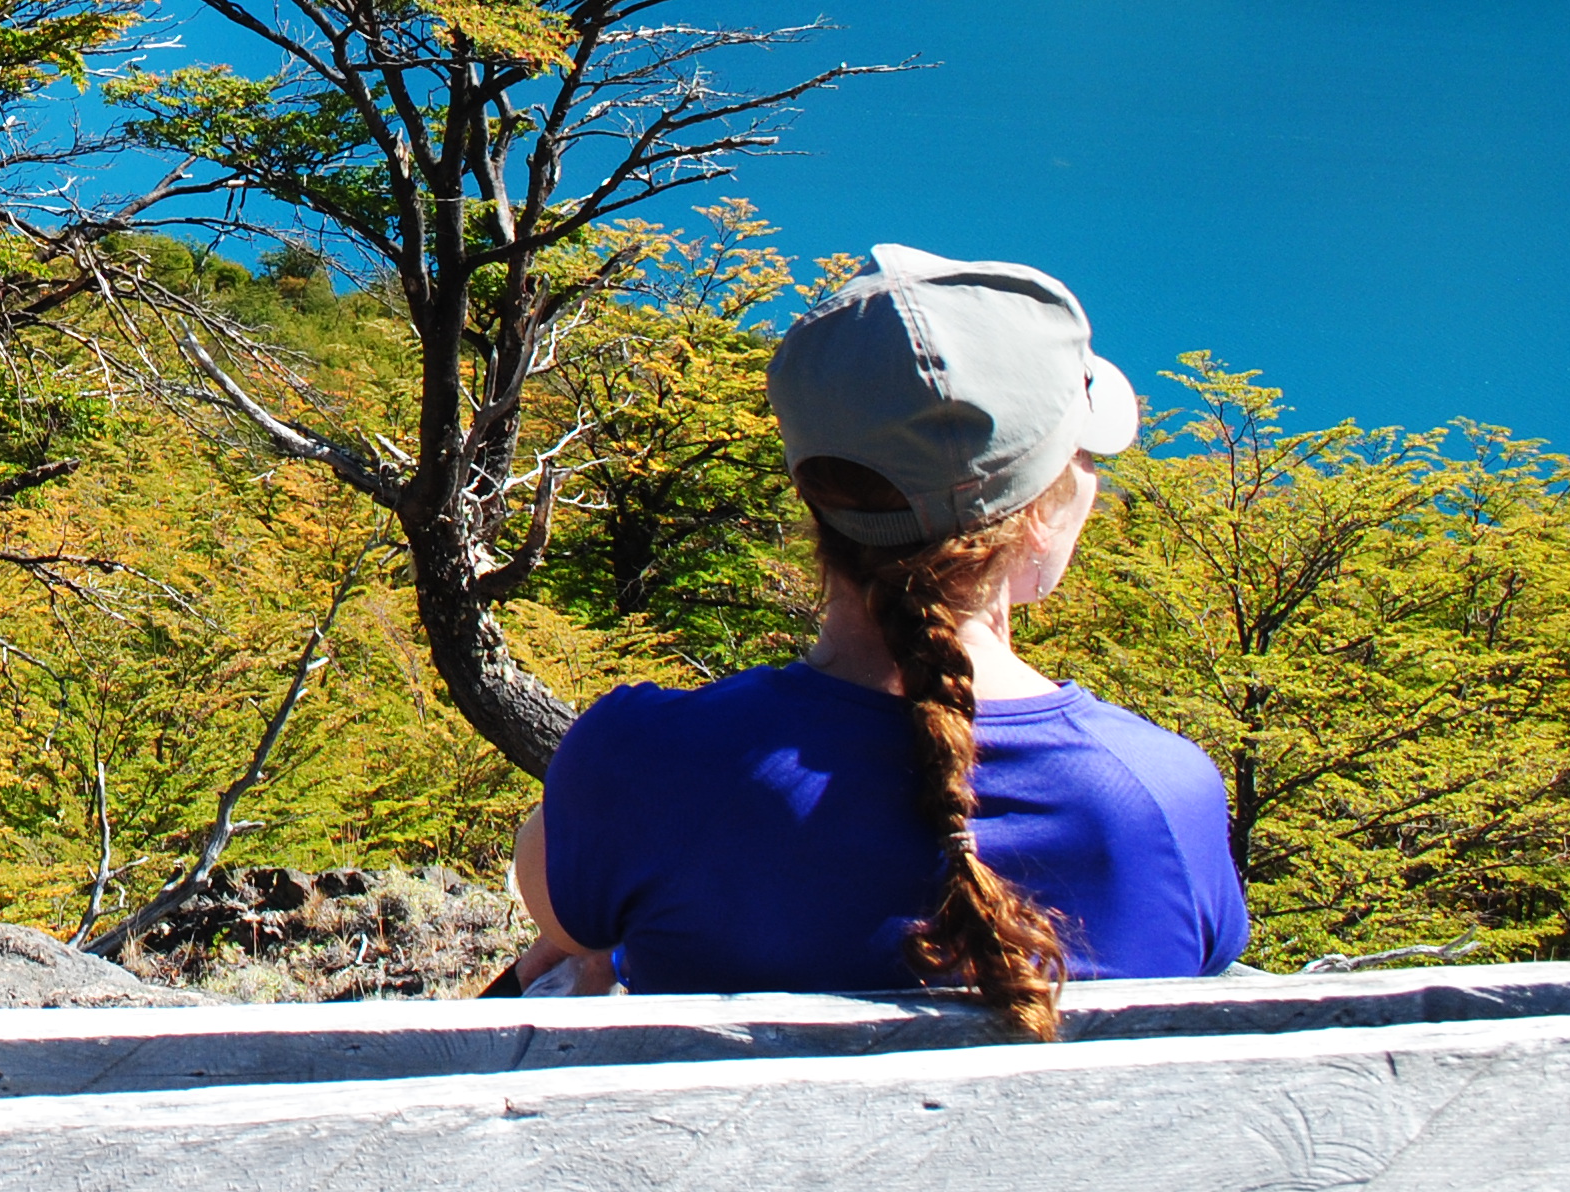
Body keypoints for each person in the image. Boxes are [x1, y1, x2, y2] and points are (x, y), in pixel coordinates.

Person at [509, 244, 1247, 1036]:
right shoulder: (1161, 796)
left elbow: (565, 918)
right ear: (1043, 506)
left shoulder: (642, 762)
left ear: (812, 495)